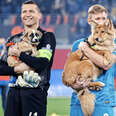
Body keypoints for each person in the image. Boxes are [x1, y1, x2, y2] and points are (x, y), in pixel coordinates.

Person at [0, 0, 56, 116]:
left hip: (35, 93)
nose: (27, 14)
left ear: (39, 15)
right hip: (13, 93)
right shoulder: (12, 39)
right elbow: (1, 67)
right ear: (21, 15)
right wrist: (18, 69)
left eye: (31, 11)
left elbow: (42, 63)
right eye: (24, 11)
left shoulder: (47, 37)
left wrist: (20, 55)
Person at [69, 4, 116, 116]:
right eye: (97, 18)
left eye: (104, 18)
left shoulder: (113, 44)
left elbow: (106, 64)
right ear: (90, 21)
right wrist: (76, 84)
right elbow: (71, 75)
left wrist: (85, 49)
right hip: (78, 102)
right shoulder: (77, 45)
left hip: (104, 101)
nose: (101, 22)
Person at [0, 38, 9, 112]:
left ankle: (6, 113)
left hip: (5, 79)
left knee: (5, 98)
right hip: (4, 79)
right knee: (5, 98)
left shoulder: (7, 52)